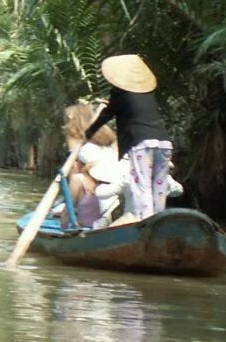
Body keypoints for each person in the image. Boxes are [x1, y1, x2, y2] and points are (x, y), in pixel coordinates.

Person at [83, 54, 173, 222]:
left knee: (142, 185)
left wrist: (89, 133)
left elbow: (106, 115)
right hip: (165, 143)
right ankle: (159, 221)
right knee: (159, 185)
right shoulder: (148, 95)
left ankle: (146, 223)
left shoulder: (120, 93)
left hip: (141, 143)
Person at [60, 102, 118, 228]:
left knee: (74, 173)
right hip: (114, 198)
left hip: (93, 210)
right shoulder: (107, 138)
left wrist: (63, 224)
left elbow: (66, 215)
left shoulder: (74, 137)